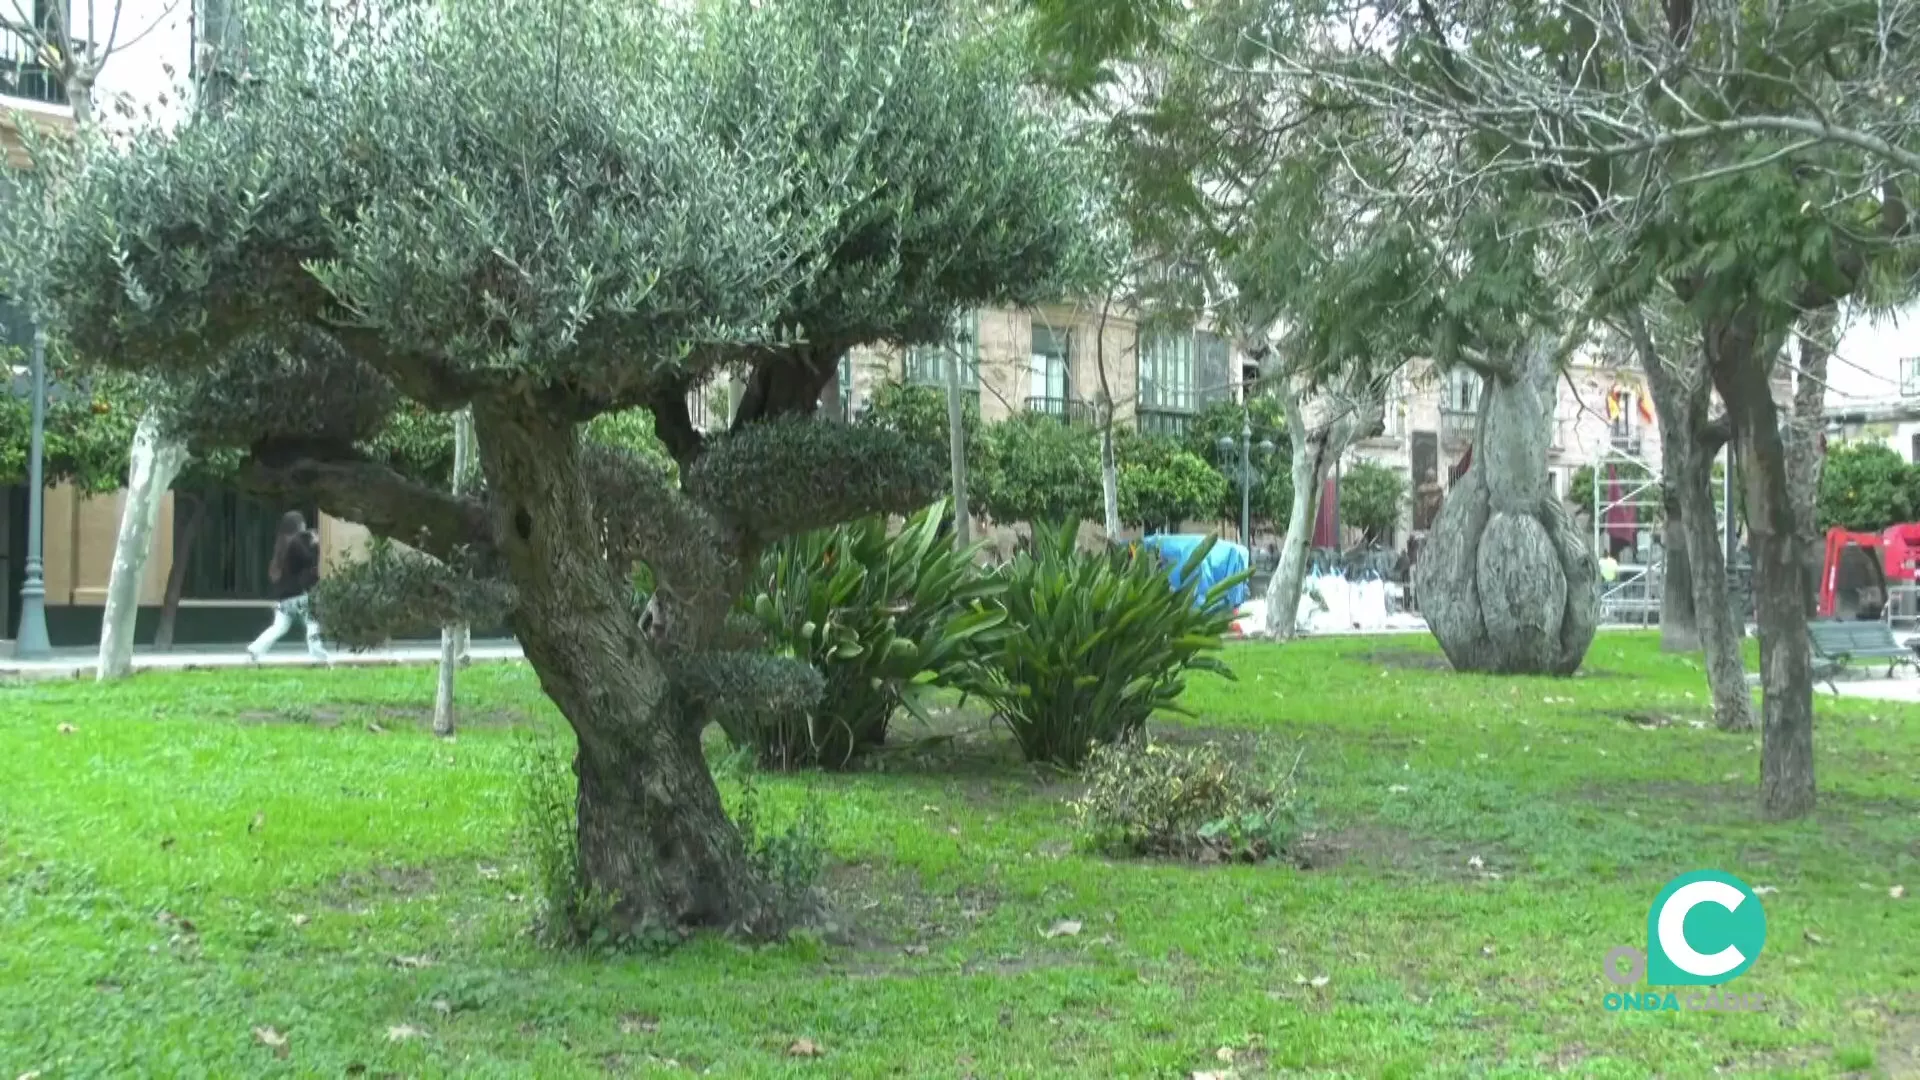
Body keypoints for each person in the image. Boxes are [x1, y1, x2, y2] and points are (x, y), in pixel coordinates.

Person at [248, 510, 330, 663]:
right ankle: (319, 656)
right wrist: (315, 544)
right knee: (312, 623)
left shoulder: (281, 545)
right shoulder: (297, 542)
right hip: (299, 595)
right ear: (299, 525)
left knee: (279, 627)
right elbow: (309, 560)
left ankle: (255, 648)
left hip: (284, 598)